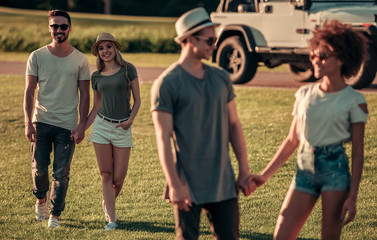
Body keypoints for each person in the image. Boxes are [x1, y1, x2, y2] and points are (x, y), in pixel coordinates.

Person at [251, 20, 368, 240]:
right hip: (304, 173)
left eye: (323, 57)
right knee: (282, 235)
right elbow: (291, 140)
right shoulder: (304, 94)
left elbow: (358, 152)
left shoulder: (354, 101)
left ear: (342, 58)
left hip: (336, 174)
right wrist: (264, 176)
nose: (316, 61)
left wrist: (353, 196)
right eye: (313, 55)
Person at [150, 7, 255, 239]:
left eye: (215, 39)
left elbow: (234, 125)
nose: (214, 45)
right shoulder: (166, 84)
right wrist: (174, 184)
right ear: (189, 39)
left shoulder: (221, 78)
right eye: (209, 40)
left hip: (223, 182)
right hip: (186, 183)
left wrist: (244, 170)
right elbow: (163, 139)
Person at [23, 10, 90, 228]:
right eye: (54, 26)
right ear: (49, 28)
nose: (58, 30)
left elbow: (86, 94)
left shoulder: (80, 59)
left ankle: (55, 215)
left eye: (63, 26)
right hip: (41, 121)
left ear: (70, 29)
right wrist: (28, 123)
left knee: (61, 172)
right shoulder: (37, 56)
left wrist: (81, 125)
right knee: (39, 168)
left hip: (67, 125)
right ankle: (40, 200)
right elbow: (29, 92)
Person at [82, 32, 140, 231]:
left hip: (123, 127)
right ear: (97, 53)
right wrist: (83, 128)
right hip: (101, 127)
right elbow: (96, 106)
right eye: (101, 48)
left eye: (108, 46)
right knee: (106, 174)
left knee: (118, 179)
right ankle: (112, 219)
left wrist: (130, 121)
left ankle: (108, 202)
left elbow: (138, 100)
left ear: (115, 48)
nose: (105, 51)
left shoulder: (128, 70)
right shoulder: (96, 76)